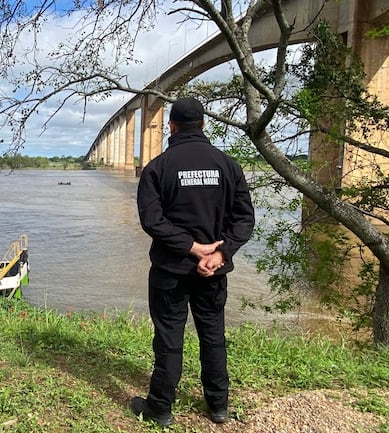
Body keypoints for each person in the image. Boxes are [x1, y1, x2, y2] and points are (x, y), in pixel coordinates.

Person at [131, 97, 255, 427]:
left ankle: (160, 407)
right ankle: (218, 406)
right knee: (213, 334)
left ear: (170, 126)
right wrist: (219, 253)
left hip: (170, 271)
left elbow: (152, 221)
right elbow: (244, 220)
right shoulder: (229, 166)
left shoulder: (157, 168)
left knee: (169, 337)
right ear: (203, 125)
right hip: (213, 273)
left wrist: (191, 247)